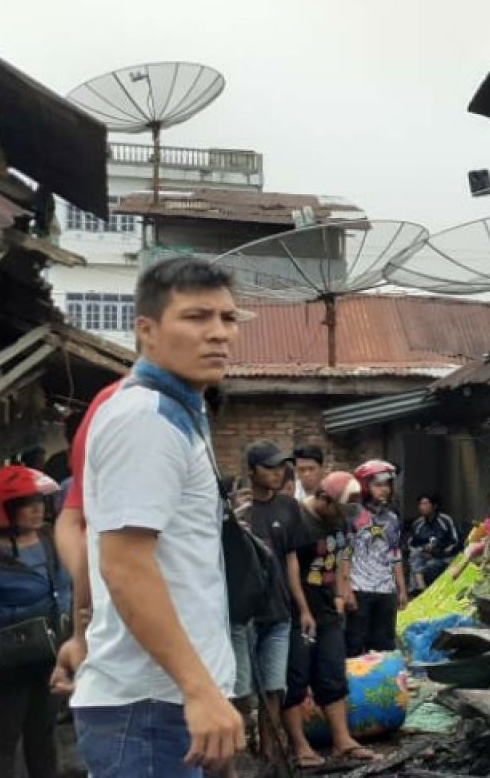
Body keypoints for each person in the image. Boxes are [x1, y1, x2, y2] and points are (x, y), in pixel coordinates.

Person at [71, 257, 245, 776]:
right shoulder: (145, 418)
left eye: (228, 319)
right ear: (146, 331)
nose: (218, 334)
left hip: (165, 700)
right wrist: (198, 690)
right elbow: (124, 564)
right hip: (149, 706)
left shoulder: (177, 411)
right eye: (196, 317)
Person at [283, 472, 378, 767]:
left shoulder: (341, 518)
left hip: (328, 610)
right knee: (295, 679)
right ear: (324, 498)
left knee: (333, 673)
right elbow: (291, 568)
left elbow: (339, 556)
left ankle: (342, 741)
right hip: (298, 612)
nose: (342, 516)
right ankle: (300, 746)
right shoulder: (297, 518)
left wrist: (341, 591)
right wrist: (303, 610)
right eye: (338, 508)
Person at [0, 466, 71, 778]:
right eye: (26, 502)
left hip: (50, 655)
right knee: (2, 740)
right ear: (6, 509)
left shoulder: (49, 540)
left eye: (39, 501)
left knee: (43, 736)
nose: (37, 509)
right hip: (7, 663)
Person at [228, 440, 306, 767]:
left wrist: (301, 606)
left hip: (278, 613)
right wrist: (232, 517)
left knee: (274, 688)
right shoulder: (236, 512)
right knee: (242, 692)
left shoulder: (288, 507)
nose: (277, 473)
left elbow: (291, 559)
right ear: (251, 471)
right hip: (242, 615)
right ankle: (240, 755)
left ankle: (270, 758)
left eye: (280, 467)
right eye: (269, 467)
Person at [49, 379, 123, 696]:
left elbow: (72, 523)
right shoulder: (125, 405)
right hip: (125, 653)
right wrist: (81, 633)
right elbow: (89, 533)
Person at [346, 460, 410, 657]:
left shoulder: (392, 519)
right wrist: (345, 589)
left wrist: (401, 589)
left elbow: (395, 553)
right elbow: (345, 554)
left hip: (385, 590)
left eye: (387, 485)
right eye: (378, 485)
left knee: (384, 647)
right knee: (355, 644)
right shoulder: (352, 516)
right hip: (359, 588)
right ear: (365, 487)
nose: (384, 490)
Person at [407, 495, 460, 590]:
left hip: (446, 556)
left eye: (425, 504)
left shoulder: (445, 520)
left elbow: (456, 542)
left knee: (431, 565)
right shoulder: (418, 523)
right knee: (415, 555)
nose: (422, 507)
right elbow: (411, 545)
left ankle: (420, 589)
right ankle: (420, 588)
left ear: (434, 506)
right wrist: (424, 549)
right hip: (424, 556)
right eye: (420, 504)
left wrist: (437, 552)